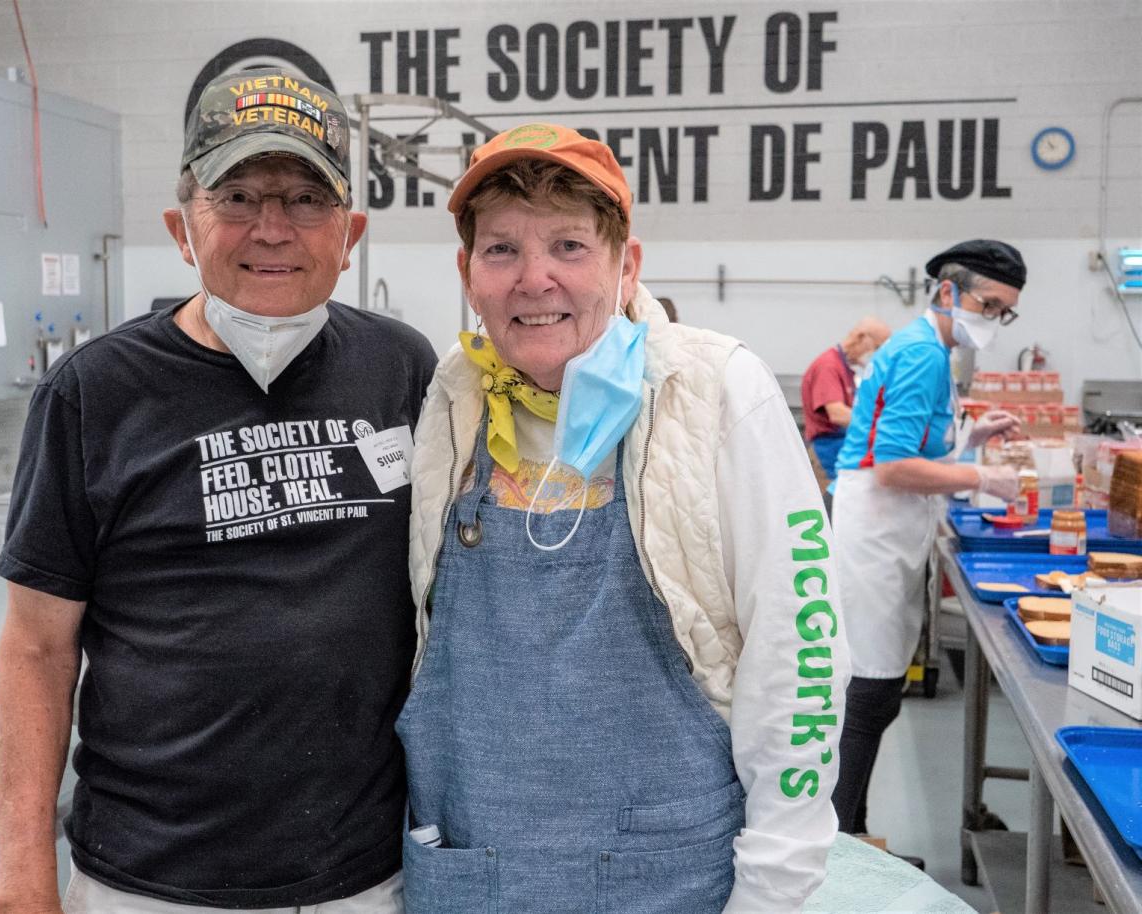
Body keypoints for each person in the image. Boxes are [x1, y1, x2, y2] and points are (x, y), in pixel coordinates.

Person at [0, 69, 436, 913]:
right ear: (181, 229)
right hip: (147, 882)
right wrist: (22, 876)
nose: (273, 228)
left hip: (364, 878)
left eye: (308, 197)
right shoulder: (96, 394)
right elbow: (36, 649)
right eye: (237, 195)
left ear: (351, 234)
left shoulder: (401, 369)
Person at [398, 123, 849, 913]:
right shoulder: (452, 399)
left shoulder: (713, 392)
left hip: (669, 881)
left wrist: (774, 890)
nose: (534, 279)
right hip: (476, 874)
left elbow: (799, 653)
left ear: (626, 263)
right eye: (501, 250)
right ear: (468, 274)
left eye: (569, 246)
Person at [829, 240, 1026, 839]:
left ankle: (853, 832)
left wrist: (969, 441)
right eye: (988, 305)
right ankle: (837, 844)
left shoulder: (931, 352)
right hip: (876, 528)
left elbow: (916, 447)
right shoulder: (921, 353)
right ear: (948, 292)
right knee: (870, 691)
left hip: (890, 528)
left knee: (879, 688)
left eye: (1004, 312)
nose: (992, 321)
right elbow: (891, 465)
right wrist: (983, 476)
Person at [801, 317, 891, 492]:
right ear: (862, 337)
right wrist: (883, 426)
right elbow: (837, 414)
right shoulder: (829, 366)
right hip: (829, 448)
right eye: (878, 347)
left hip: (838, 444)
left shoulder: (844, 367)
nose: (878, 353)